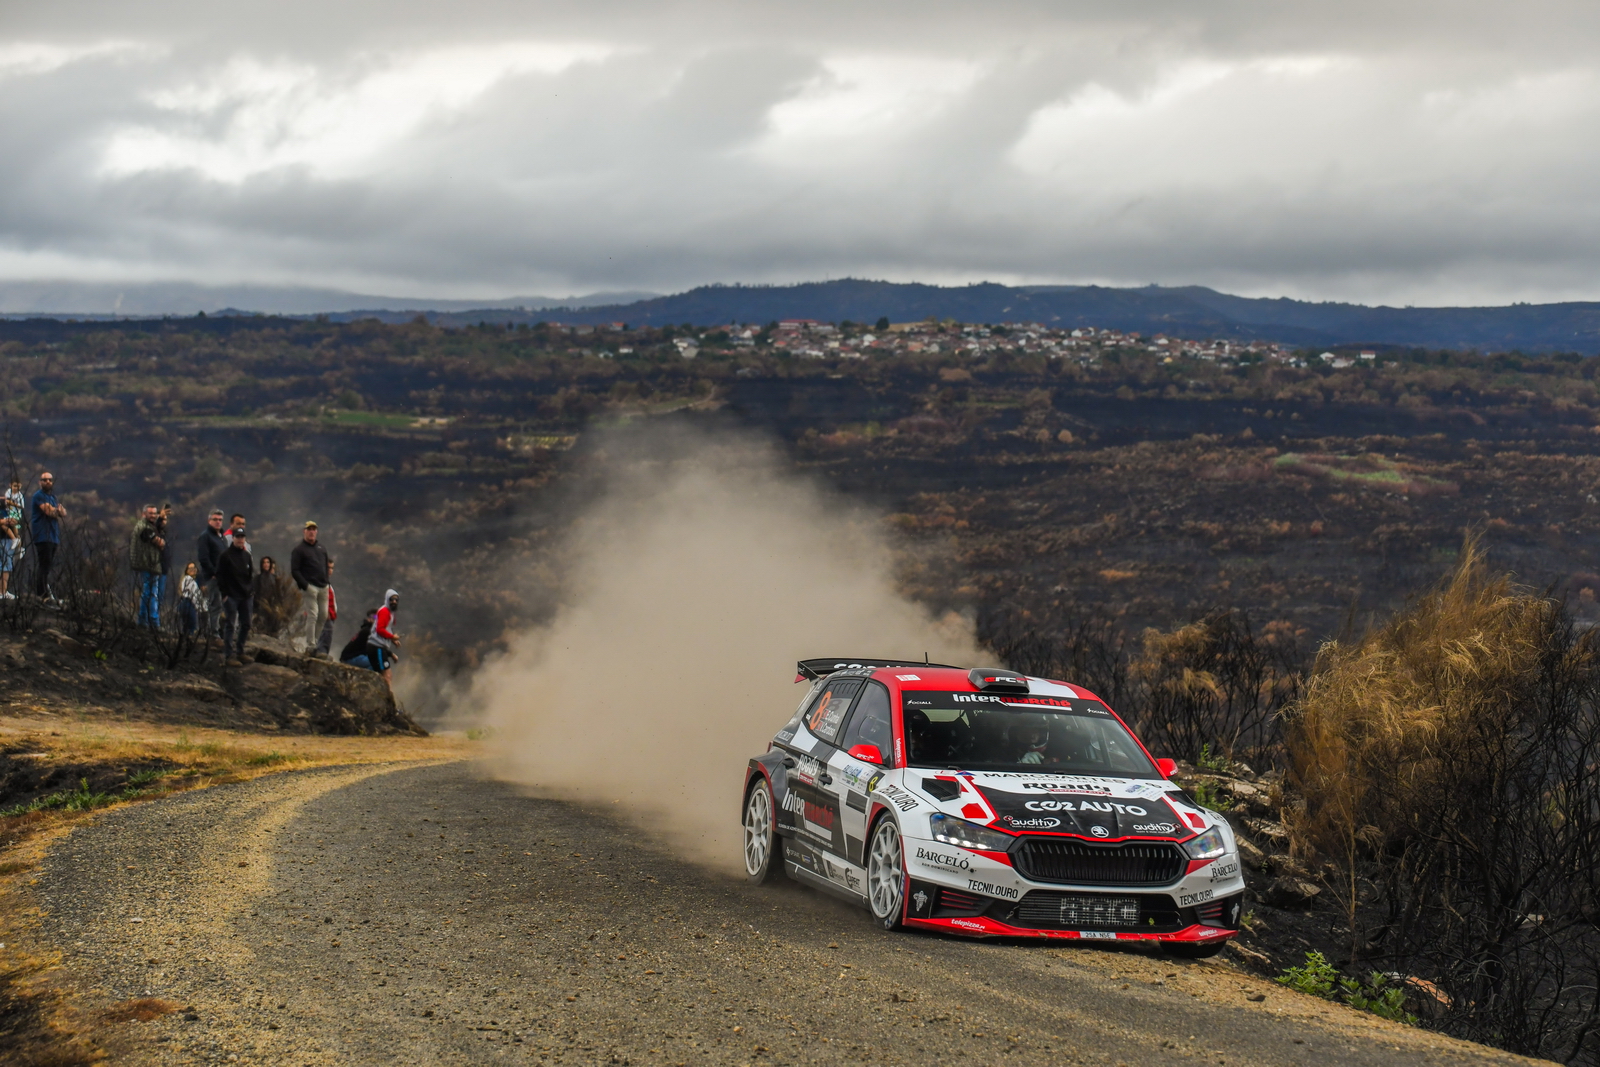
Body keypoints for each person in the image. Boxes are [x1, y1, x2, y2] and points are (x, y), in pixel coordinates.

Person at [289, 521, 330, 656]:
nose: (312, 532)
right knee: (313, 614)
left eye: (314, 529)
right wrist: (305, 586)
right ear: (304, 531)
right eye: (309, 529)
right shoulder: (299, 550)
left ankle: (316, 643)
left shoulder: (322, 548)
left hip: (323, 587)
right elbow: (295, 570)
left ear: (316, 531)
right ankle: (311, 645)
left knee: (323, 615)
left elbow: (325, 566)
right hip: (310, 587)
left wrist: (327, 582)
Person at [215, 529, 254, 665]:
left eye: (242, 537)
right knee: (230, 625)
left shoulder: (246, 556)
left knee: (246, 624)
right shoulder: (225, 556)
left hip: (246, 596)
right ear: (233, 538)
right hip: (231, 596)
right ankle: (228, 655)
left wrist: (250, 592)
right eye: (238, 537)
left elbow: (250, 575)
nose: (240, 539)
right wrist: (224, 594)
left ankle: (240, 652)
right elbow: (220, 575)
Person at [29, 471, 65, 601]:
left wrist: (58, 511)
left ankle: (45, 592)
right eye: (45, 480)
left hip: (53, 536)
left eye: (50, 479)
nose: (48, 482)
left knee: (48, 566)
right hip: (43, 535)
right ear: (40, 482)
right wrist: (57, 511)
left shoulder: (53, 497)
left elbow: (63, 512)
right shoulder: (38, 496)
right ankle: (41, 594)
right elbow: (49, 511)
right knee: (44, 565)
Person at [129, 504, 164, 628]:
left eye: (155, 513)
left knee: (147, 593)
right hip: (148, 564)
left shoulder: (147, 526)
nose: (153, 516)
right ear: (144, 514)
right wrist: (161, 540)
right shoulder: (144, 528)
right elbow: (160, 543)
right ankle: (153, 622)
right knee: (151, 594)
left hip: (147, 564)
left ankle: (143, 621)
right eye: (151, 513)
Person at [195, 509, 228, 637]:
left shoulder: (222, 537)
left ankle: (220, 631)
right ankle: (211, 633)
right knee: (213, 605)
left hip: (223, 578)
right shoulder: (205, 536)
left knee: (220, 606)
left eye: (220, 520)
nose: (218, 522)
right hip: (212, 577)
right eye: (215, 519)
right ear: (209, 521)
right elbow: (203, 558)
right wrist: (213, 573)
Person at [367, 588, 401, 688]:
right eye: (391, 599)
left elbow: (387, 628)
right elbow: (380, 629)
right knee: (387, 675)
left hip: (380, 647)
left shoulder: (391, 613)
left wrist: (393, 639)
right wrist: (392, 637)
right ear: (387, 599)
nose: (394, 602)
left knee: (383, 675)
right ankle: (388, 700)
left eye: (396, 600)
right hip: (376, 646)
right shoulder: (384, 612)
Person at [315, 559, 338, 657]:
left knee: (325, 636)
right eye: (328, 568)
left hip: (330, 616)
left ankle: (320, 652)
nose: (330, 570)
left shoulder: (326, 583)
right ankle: (321, 654)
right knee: (325, 637)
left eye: (332, 568)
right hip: (325, 616)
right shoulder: (320, 582)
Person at [177, 561, 202, 636]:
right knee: (191, 626)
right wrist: (199, 607)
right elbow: (193, 595)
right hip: (189, 603)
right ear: (186, 570)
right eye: (190, 568)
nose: (192, 569)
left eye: (194, 568)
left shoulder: (189, 580)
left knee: (186, 627)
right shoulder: (189, 579)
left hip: (185, 603)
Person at [0, 513, 17, 600]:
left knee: (6, 566)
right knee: (4, 565)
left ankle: (3, 590)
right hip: (2, 539)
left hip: (7, 539)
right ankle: (2, 591)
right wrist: (5, 521)